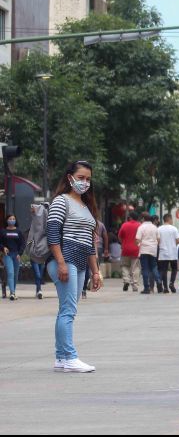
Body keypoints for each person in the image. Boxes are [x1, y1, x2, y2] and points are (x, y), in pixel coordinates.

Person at [46, 160, 103, 373]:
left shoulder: (87, 206)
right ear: (70, 178)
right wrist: (61, 263)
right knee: (68, 311)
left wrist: (95, 271)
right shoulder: (61, 201)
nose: (85, 182)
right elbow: (52, 233)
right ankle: (70, 357)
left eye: (88, 179)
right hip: (64, 259)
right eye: (81, 178)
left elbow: (89, 243)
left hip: (80, 262)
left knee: (66, 310)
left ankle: (61, 358)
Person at [1, 214, 25, 301]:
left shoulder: (19, 231)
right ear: (7, 220)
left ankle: (13, 292)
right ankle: (12, 293)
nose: (12, 220)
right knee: (10, 273)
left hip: (16, 255)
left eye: (13, 219)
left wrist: (20, 253)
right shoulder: (3, 231)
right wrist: (3, 247)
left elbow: (23, 244)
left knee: (15, 275)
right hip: (7, 255)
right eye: (10, 219)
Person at [82, 220, 108, 300]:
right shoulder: (99, 223)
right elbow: (105, 236)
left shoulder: (92, 226)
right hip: (88, 251)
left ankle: (83, 289)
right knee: (86, 270)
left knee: (86, 271)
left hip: (89, 252)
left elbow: (94, 243)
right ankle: (83, 288)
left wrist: (95, 254)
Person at [136, 213, 162, 294]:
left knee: (145, 269)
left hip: (144, 250)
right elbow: (158, 239)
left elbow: (137, 239)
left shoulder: (141, 227)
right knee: (154, 266)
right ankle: (158, 280)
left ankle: (146, 288)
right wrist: (154, 245)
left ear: (143, 219)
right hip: (153, 250)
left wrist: (139, 244)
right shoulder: (155, 227)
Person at [118, 211, 142, 292]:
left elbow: (120, 236)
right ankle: (135, 285)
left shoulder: (124, 225)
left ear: (130, 217)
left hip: (125, 249)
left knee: (124, 265)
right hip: (136, 249)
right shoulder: (140, 225)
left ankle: (126, 280)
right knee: (135, 267)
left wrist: (123, 243)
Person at [158, 214, 179, 293]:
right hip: (172, 252)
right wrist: (173, 245)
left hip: (163, 252)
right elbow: (178, 240)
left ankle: (165, 287)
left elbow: (158, 240)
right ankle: (171, 283)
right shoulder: (174, 229)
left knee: (163, 270)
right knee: (174, 269)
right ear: (169, 219)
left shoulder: (159, 229)